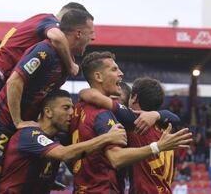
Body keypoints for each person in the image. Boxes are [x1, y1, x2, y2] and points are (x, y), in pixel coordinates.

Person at [0, 2, 90, 193]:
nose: (93, 37)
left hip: (2, 86)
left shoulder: (49, 50)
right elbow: (57, 37)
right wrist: (72, 65)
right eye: (90, 33)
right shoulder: (49, 23)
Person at [71, 51, 192, 193]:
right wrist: (158, 114)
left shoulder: (134, 125)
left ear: (133, 98)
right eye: (115, 69)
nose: (121, 73)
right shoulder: (167, 129)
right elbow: (175, 118)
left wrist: (88, 93)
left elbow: (115, 157)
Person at [0, 89, 127, 194]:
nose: (71, 112)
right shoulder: (30, 134)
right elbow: (64, 154)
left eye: (72, 107)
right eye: (65, 108)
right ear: (48, 112)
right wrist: (107, 137)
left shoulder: (57, 139)